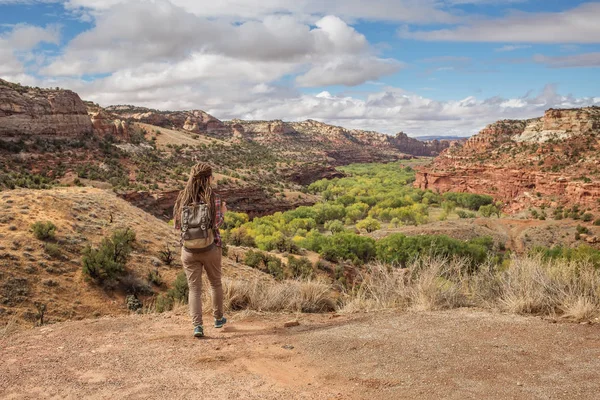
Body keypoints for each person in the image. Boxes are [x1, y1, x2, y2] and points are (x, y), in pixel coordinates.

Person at [173, 162, 227, 338]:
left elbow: (177, 225)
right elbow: (216, 224)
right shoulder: (214, 198)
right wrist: (223, 212)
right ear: (208, 178)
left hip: (188, 251)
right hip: (211, 247)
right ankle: (218, 319)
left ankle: (197, 327)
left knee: (194, 289)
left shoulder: (182, 198)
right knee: (215, 283)